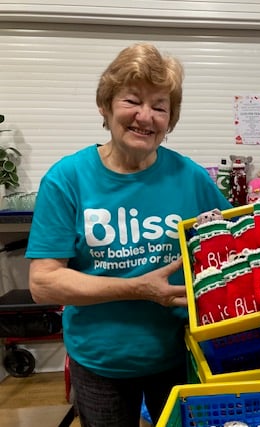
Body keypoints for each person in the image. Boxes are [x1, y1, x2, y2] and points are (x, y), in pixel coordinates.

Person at [25, 43, 231, 426]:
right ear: (105, 105)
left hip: (178, 354)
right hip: (100, 364)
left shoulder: (190, 178)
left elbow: (235, 243)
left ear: (170, 119)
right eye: (132, 100)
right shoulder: (67, 179)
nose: (145, 117)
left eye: (160, 106)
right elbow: (44, 283)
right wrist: (139, 288)